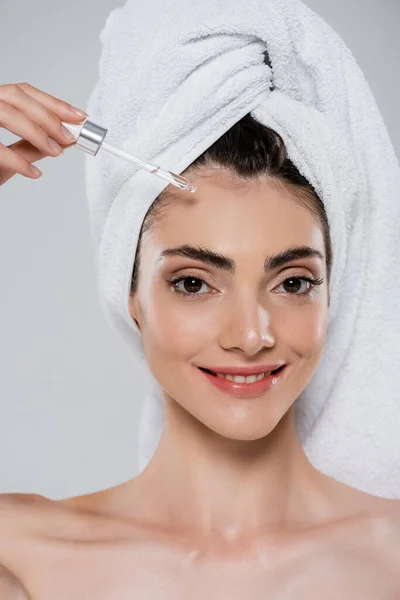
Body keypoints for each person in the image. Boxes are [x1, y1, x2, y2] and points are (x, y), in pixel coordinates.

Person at [0, 82, 399, 599]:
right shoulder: (24, 555)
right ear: (132, 298)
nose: (251, 336)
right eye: (193, 283)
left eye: (293, 283)